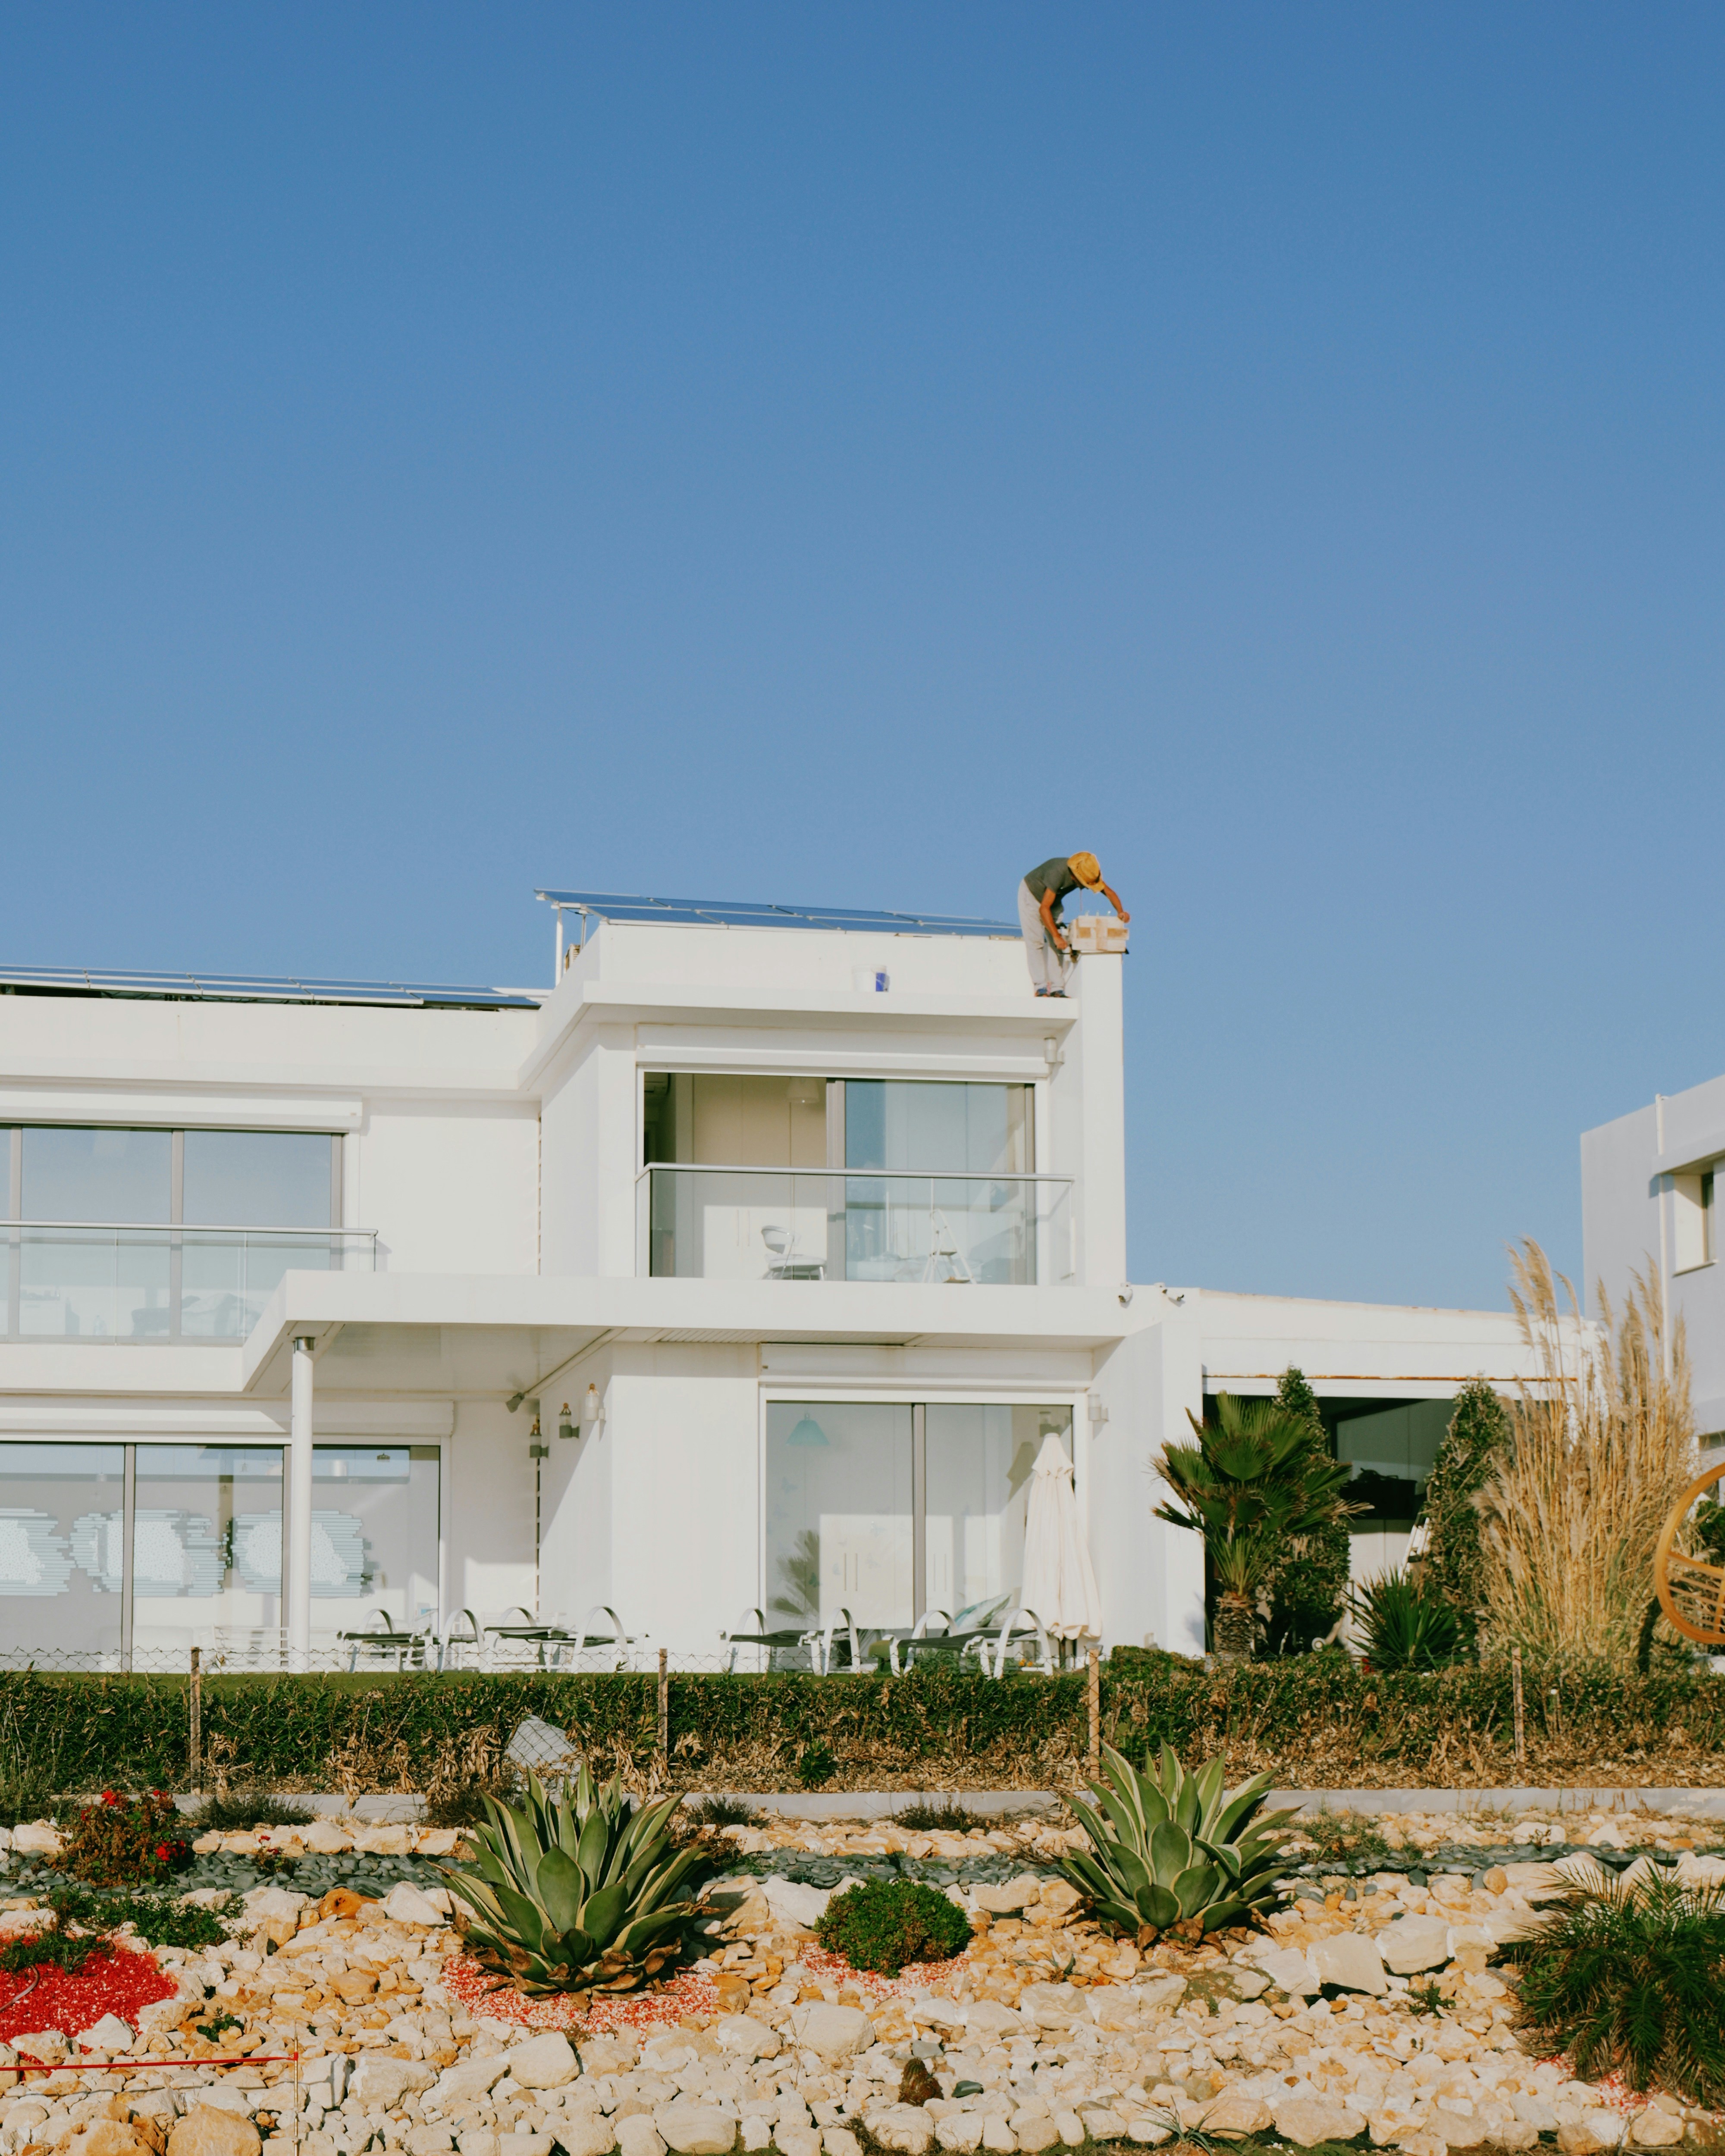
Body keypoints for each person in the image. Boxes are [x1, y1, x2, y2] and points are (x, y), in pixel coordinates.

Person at [1017, 852, 1129, 996]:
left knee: (1057, 943)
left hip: (1053, 901)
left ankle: (1058, 988)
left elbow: (1109, 893)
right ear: (1076, 877)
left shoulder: (1088, 872)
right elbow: (1044, 908)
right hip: (1031, 896)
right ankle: (1040, 987)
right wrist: (1056, 936)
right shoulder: (1057, 872)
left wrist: (1121, 912)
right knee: (1036, 942)